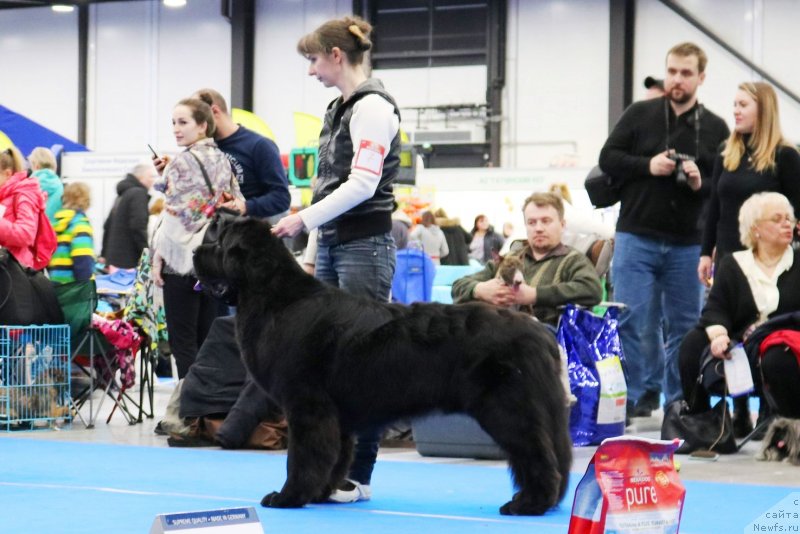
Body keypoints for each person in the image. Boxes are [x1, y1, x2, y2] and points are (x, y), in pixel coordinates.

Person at [271, 15, 400, 504]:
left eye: (313, 60)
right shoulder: (338, 109)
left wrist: (302, 221)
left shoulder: (373, 110)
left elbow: (363, 184)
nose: (311, 71)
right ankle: (324, 474)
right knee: (323, 370)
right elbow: (325, 185)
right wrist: (311, 251)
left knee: (363, 368)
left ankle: (358, 476)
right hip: (332, 246)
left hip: (365, 248)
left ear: (336, 56)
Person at [598, 42, 730, 416]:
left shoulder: (716, 128)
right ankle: (632, 397)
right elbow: (607, 158)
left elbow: (720, 188)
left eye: (686, 73)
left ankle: (680, 403)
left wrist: (698, 182)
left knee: (686, 327)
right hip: (636, 235)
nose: (677, 79)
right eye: (672, 71)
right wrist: (647, 165)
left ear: (700, 78)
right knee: (632, 320)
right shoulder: (640, 114)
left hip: (688, 242)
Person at [677, 192, 800, 433]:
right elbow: (716, 309)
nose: (787, 224)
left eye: (789, 218)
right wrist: (719, 335)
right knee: (692, 344)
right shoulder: (733, 264)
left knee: (777, 356)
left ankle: (787, 426)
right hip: (742, 342)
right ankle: (699, 422)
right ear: (756, 229)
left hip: (784, 340)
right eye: (777, 219)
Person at [151, 97, 244, 379]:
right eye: (174, 123)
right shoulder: (223, 159)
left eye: (183, 122)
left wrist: (158, 256)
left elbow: (176, 217)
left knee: (183, 343)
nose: (176, 129)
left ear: (203, 126)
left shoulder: (181, 162)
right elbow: (236, 201)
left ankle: (187, 411)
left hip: (179, 261)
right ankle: (207, 410)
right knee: (207, 342)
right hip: (212, 259)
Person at [452, 192, 603, 327]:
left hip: (545, 342)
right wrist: (479, 290)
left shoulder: (573, 260)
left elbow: (592, 290)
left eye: (546, 221)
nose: (538, 228)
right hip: (498, 334)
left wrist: (535, 295)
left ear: (562, 225)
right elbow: (458, 286)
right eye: (532, 222)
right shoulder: (509, 259)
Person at [699, 82, 800, 284]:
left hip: (767, 260)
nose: (736, 111)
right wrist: (705, 252)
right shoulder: (726, 152)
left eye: (743, 105)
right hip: (728, 255)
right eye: (735, 104)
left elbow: (797, 210)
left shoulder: (784, 155)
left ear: (763, 109)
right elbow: (715, 208)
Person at [191, 88, 290, 220]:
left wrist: (245, 206)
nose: (196, 125)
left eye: (199, 118)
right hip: (220, 235)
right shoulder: (203, 150)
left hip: (254, 234)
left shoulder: (260, 146)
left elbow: (281, 198)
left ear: (214, 111)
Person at [101, 163, 156, 271]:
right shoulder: (138, 194)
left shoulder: (122, 194)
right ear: (141, 177)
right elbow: (138, 226)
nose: (152, 180)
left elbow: (107, 225)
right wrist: (146, 254)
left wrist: (104, 254)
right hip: (129, 261)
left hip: (114, 259)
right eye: (150, 176)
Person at [48, 182, 95, 285]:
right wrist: (86, 288)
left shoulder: (55, 223)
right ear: (86, 201)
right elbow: (83, 261)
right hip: (73, 289)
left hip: (55, 284)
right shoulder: (80, 226)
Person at [27, 147, 63, 224]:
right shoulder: (61, 186)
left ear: (36, 166)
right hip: (55, 231)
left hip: (35, 232)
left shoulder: (29, 186)